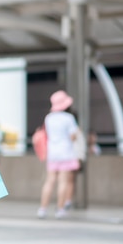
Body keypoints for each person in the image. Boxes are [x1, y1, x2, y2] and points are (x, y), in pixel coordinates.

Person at [36, 90, 80, 219]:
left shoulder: (48, 118)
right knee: (63, 182)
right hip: (65, 153)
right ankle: (60, 209)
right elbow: (73, 137)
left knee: (49, 181)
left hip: (52, 153)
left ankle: (42, 208)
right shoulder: (69, 118)